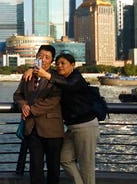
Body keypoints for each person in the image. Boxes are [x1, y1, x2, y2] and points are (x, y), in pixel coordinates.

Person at [30, 53, 99, 184]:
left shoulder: (76, 78)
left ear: (73, 65)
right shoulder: (59, 77)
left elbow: (69, 85)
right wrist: (31, 70)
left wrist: (46, 75)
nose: (60, 66)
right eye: (58, 63)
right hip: (72, 127)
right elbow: (47, 72)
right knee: (64, 158)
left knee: (86, 166)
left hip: (86, 126)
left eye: (63, 63)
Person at [13, 45, 64, 184]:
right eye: (40, 56)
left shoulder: (56, 77)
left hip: (52, 129)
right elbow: (17, 95)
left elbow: (54, 100)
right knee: (35, 169)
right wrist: (22, 104)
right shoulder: (28, 75)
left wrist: (31, 110)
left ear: (52, 61)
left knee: (53, 169)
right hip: (32, 129)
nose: (43, 59)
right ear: (36, 56)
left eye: (47, 57)